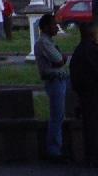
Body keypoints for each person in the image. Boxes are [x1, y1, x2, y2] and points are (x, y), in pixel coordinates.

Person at [34, 12, 69, 162]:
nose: (57, 27)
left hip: (59, 79)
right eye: (54, 24)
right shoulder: (44, 43)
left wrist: (61, 59)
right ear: (46, 27)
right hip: (54, 81)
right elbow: (59, 60)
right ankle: (54, 150)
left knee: (59, 115)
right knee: (57, 116)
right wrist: (61, 58)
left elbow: (60, 60)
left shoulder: (48, 41)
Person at [69, 20, 98, 165]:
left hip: (84, 94)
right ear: (92, 34)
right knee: (93, 126)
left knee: (90, 125)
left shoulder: (79, 50)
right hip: (92, 94)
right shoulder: (91, 50)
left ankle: (91, 154)